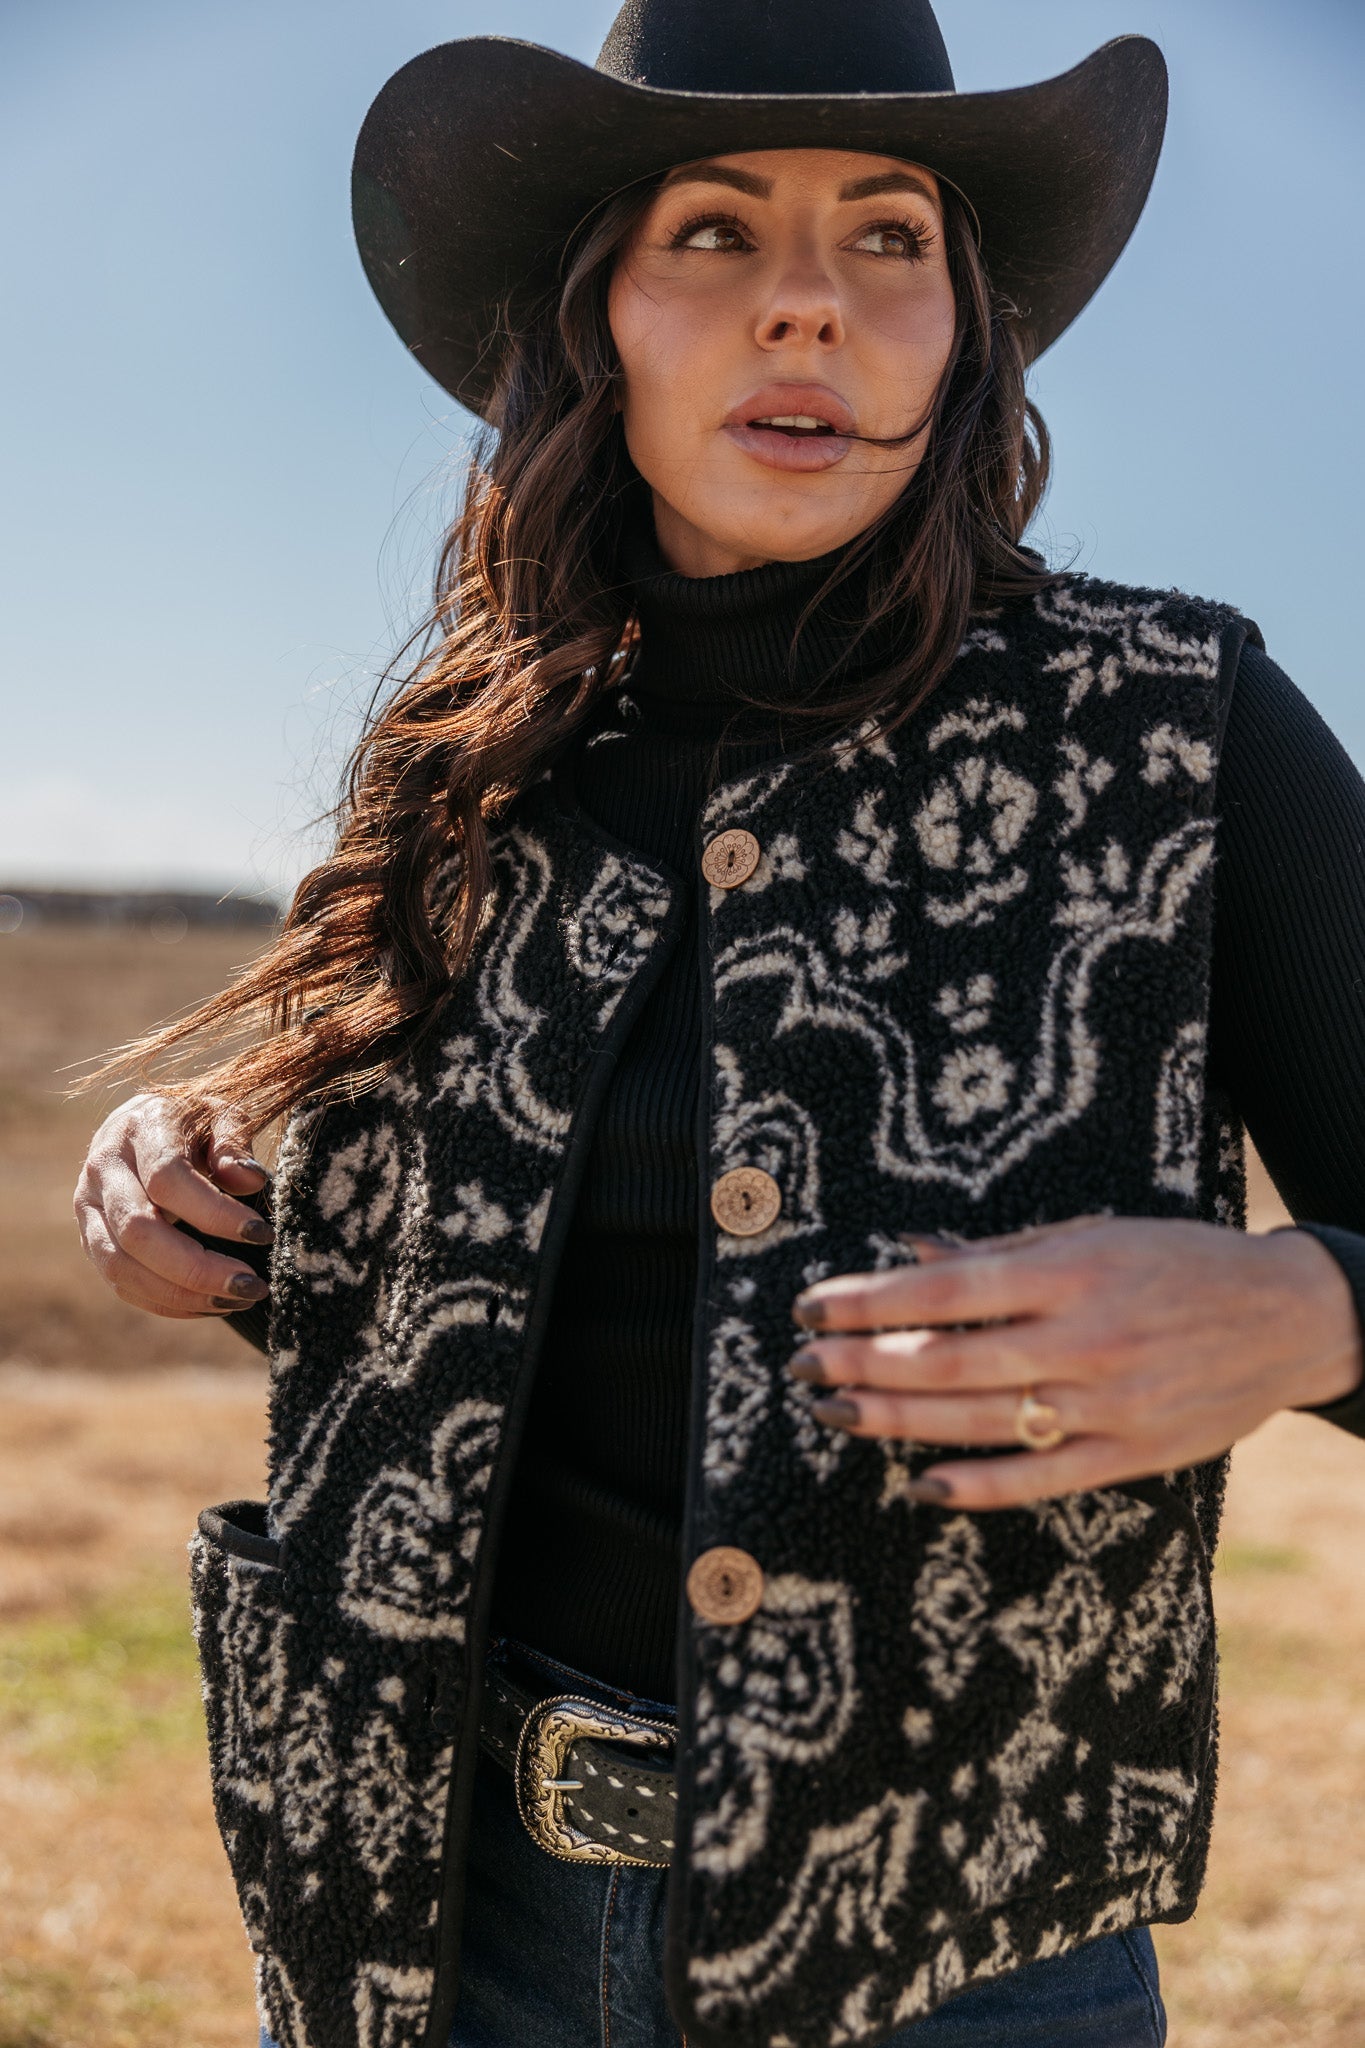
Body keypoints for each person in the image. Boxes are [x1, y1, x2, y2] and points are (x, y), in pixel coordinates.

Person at [73, 3, 1365, 2045]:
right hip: (429, 1918)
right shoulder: (461, 762)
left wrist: (1313, 1305)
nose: (802, 309)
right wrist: (194, 1183)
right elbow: (442, 1300)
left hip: (959, 1960)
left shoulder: (1175, 732)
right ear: (591, 314)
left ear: (961, 333)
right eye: (710, 234)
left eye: (883, 240)